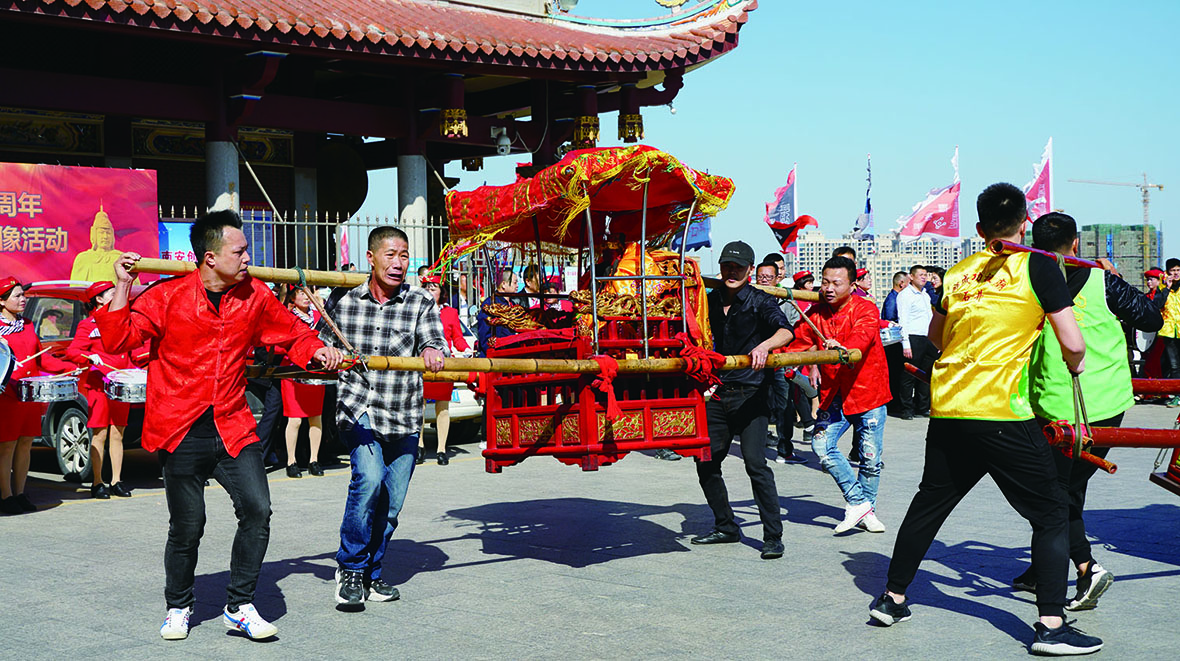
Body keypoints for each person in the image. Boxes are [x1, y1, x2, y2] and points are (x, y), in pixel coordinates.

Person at [869, 183, 1103, 656]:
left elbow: (934, 337)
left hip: (951, 409)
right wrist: (1074, 365)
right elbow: (1073, 342)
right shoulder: (1037, 264)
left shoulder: (955, 273)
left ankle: (892, 599)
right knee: (1052, 511)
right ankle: (1052, 626)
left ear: (978, 229)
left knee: (930, 503)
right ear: (1025, 222)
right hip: (1002, 411)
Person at [98, 210, 343, 641]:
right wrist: (121, 285)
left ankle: (240, 604)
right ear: (210, 257)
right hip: (179, 425)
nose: (248, 257)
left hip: (232, 422)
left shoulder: (256, 295)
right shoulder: (167, 296)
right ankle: (178, 606)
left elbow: (291, 333)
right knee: (188, 526)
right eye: (240, 250)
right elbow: (119, 341)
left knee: (258, 509)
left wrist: (317, 350)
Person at [1012, 212, 1162, 611]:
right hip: (1108, 407)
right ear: (1075, 243)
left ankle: (1086, 569)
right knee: (1067, 489)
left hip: (1056, 409)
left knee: (1055, 493)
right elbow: (1150, 317)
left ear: (1030, 243)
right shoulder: (1102, 279)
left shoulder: (1027, 281)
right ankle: (1044, 567)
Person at [320, 226, 446, 608]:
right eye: (390, 254)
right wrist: (324, 354)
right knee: (369, 480)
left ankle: (374, 573)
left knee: (391, 504)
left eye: (404, 255)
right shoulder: (346, 301)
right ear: (371, 258)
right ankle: (352, 568)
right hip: (360, 408)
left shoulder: (420, 301)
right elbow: (320, 343)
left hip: (404, 413)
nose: (398, 263)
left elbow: (434, 339)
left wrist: (432, 351)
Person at [691, 241, 793, 560]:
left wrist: (764, 346)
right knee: (706, 462)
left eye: (738, 267)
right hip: (717, 392)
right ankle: (726, 526)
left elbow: (785, 332)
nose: (731, 272)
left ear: (750, 270)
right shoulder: (709, 300)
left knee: (755, 464)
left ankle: (773, 535)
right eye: (726, 266)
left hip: (751, 395)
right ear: (720, 268)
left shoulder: (760, 300)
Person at [788, 256, 890, 533]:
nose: (828, 288)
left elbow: (862, 338)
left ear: (851, 284)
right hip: (835, 395)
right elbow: (797, 343)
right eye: (824, 282)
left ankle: (867, 511)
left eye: (836, 283)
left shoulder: (866, 308)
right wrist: (772, 357)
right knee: (821, 445)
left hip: (869, 392)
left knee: (870, 458)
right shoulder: (816, 314)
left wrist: (842, 347)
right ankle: (858, 503)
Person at [0, 278, 75, 515]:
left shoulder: (28, 325)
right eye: (16, 296)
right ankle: (5, 495)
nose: (23, 300)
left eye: (23, 295)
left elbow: (40, 359)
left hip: (29, 396)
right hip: (8, 396)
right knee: (6, 448)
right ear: (1, 301)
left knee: (25, 445)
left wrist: (69, 366)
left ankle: (20, 493)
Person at [66, 281, 146, 499]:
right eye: (112, 293)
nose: (117, 295)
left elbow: (133, 352)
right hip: (100, 384)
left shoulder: (123, 321)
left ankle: (117, 481)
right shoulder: (88, 325)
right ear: (99, 299)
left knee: (118, 433)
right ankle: (97, 481)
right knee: (99, 434)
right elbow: (73, 351)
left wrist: (136, 371)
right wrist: (88, 357)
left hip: (121, 383)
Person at [417, 275, 469, 466]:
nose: (431, 290)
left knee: (443, 407)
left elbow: (458, 338)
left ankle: (441, 449)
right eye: (427, 287)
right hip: (421, 363)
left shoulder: (450, 312)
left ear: (442, 291)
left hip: (444, 363)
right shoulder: (417, 309)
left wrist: (467, 350)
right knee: (418, 406)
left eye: (434, 287)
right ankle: (419, 446)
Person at [280, 285, 326, 478]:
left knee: (316, 418)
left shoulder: (318, 316)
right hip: (293, 370)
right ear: (292, 297)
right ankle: (291, 461)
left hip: (315, 370)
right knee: (295, 419)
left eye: (308, 293)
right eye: (301, 293)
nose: (306, 297)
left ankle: (314, 460)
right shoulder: (287, 317)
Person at [895, 264, 934, 419]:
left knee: (925, 374)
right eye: (920, 275)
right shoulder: (905, 295)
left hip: (927, 337)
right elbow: (902, 319)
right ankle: (906, 408)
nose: (924, 278)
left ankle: (922, 406)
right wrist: (906, 343)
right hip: (912, 337)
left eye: (925, 275)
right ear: (911, 277)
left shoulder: (925, 294)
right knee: (908, 375)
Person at [71, 204, 135, 283]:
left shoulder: (120, 258)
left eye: (108, 233)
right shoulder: (83, 258)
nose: (105, 236)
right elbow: (77, 287)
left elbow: (133, 287)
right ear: (94, 234)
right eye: (101, 233)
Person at [1153, 258, 1180, 405]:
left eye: (1178, 270)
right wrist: (1167, 288)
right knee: (1174, 365)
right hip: (1169, 330)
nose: (1176, 274)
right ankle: (1177, 395)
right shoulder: (1164, 288)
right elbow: (1157, 304)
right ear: (1167, 273)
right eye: (1172, 271)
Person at [475, 269, 519, 356]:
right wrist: (492, 351)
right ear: (503, 284)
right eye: (514, 283)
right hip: (497, 354)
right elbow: (484, 332)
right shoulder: (491, 304)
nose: (517, 286)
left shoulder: (513, 304)